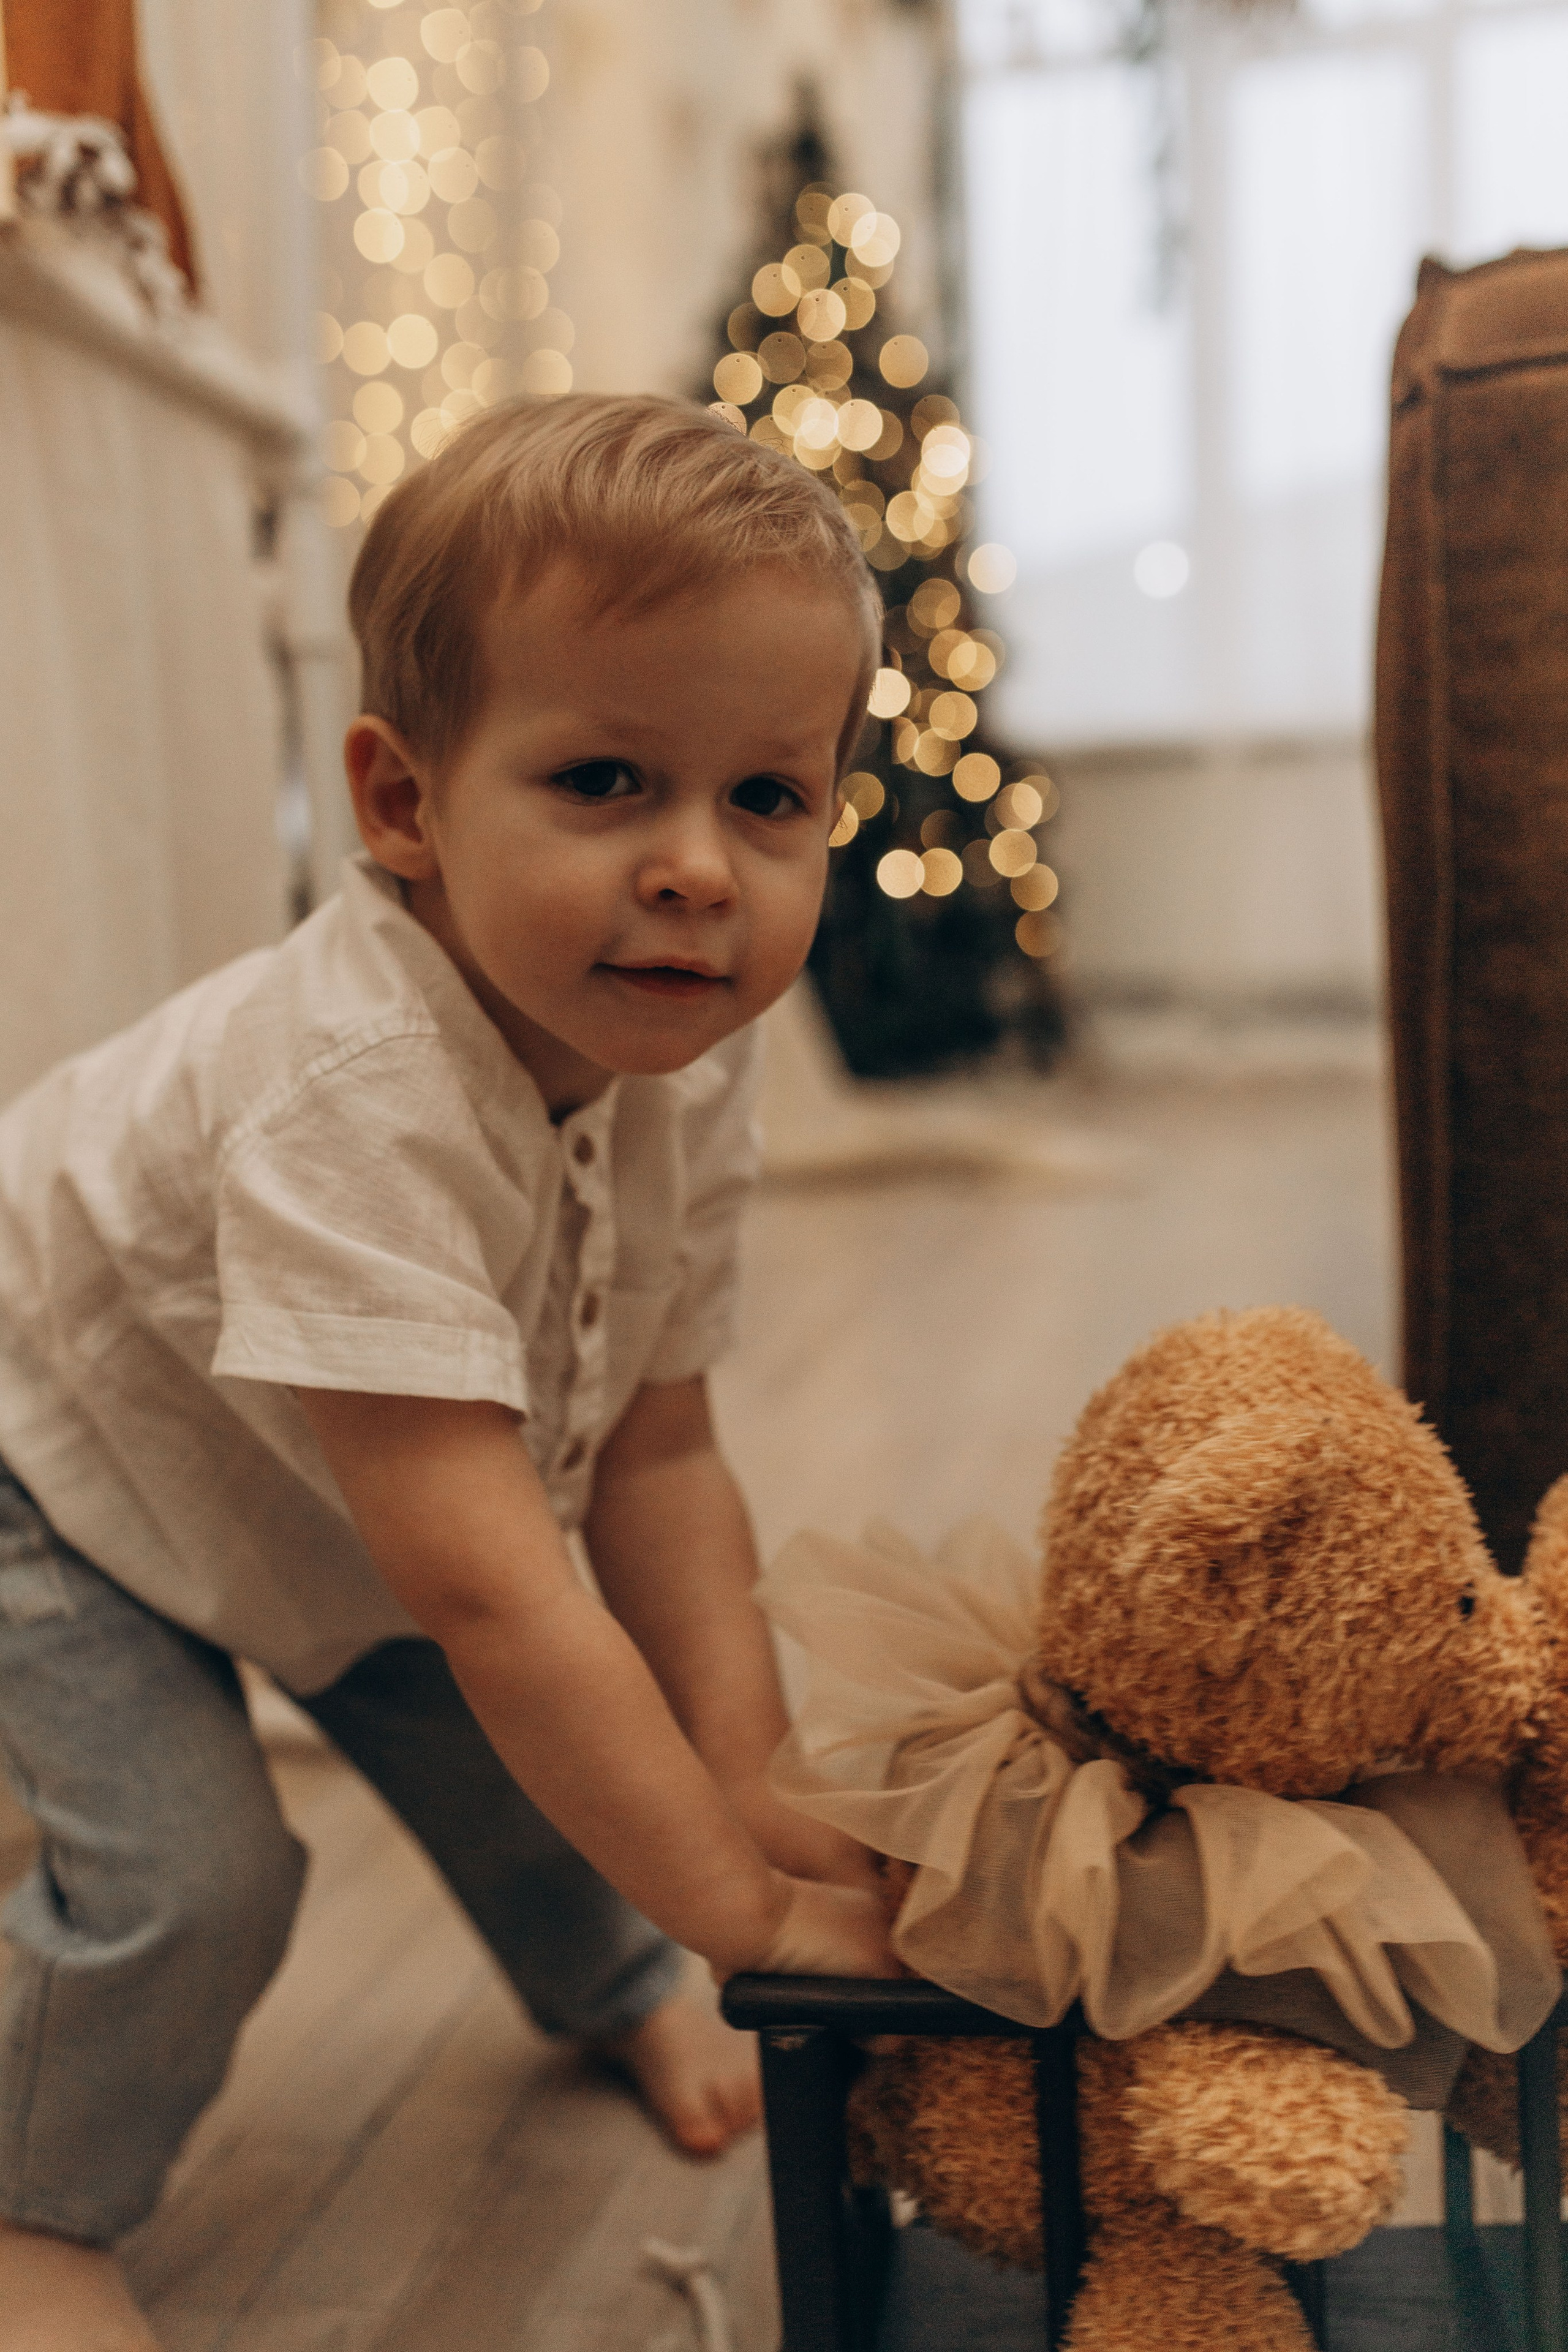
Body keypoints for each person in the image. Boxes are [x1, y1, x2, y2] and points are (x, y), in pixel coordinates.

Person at [0, 393, 900, 2350]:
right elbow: (490, 1585)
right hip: (52, 1444)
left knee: (522, 1726)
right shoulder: (352, 1097)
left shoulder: (696, 1049)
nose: (696, 871)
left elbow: (661, 1457)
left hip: (299, 1462)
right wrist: (744, 1923)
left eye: (769, 799)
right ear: (403, 805)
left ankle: (603, 1987)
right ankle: (30, 2195)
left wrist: (754, 1792)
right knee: (203, 1875)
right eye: (603, 781)